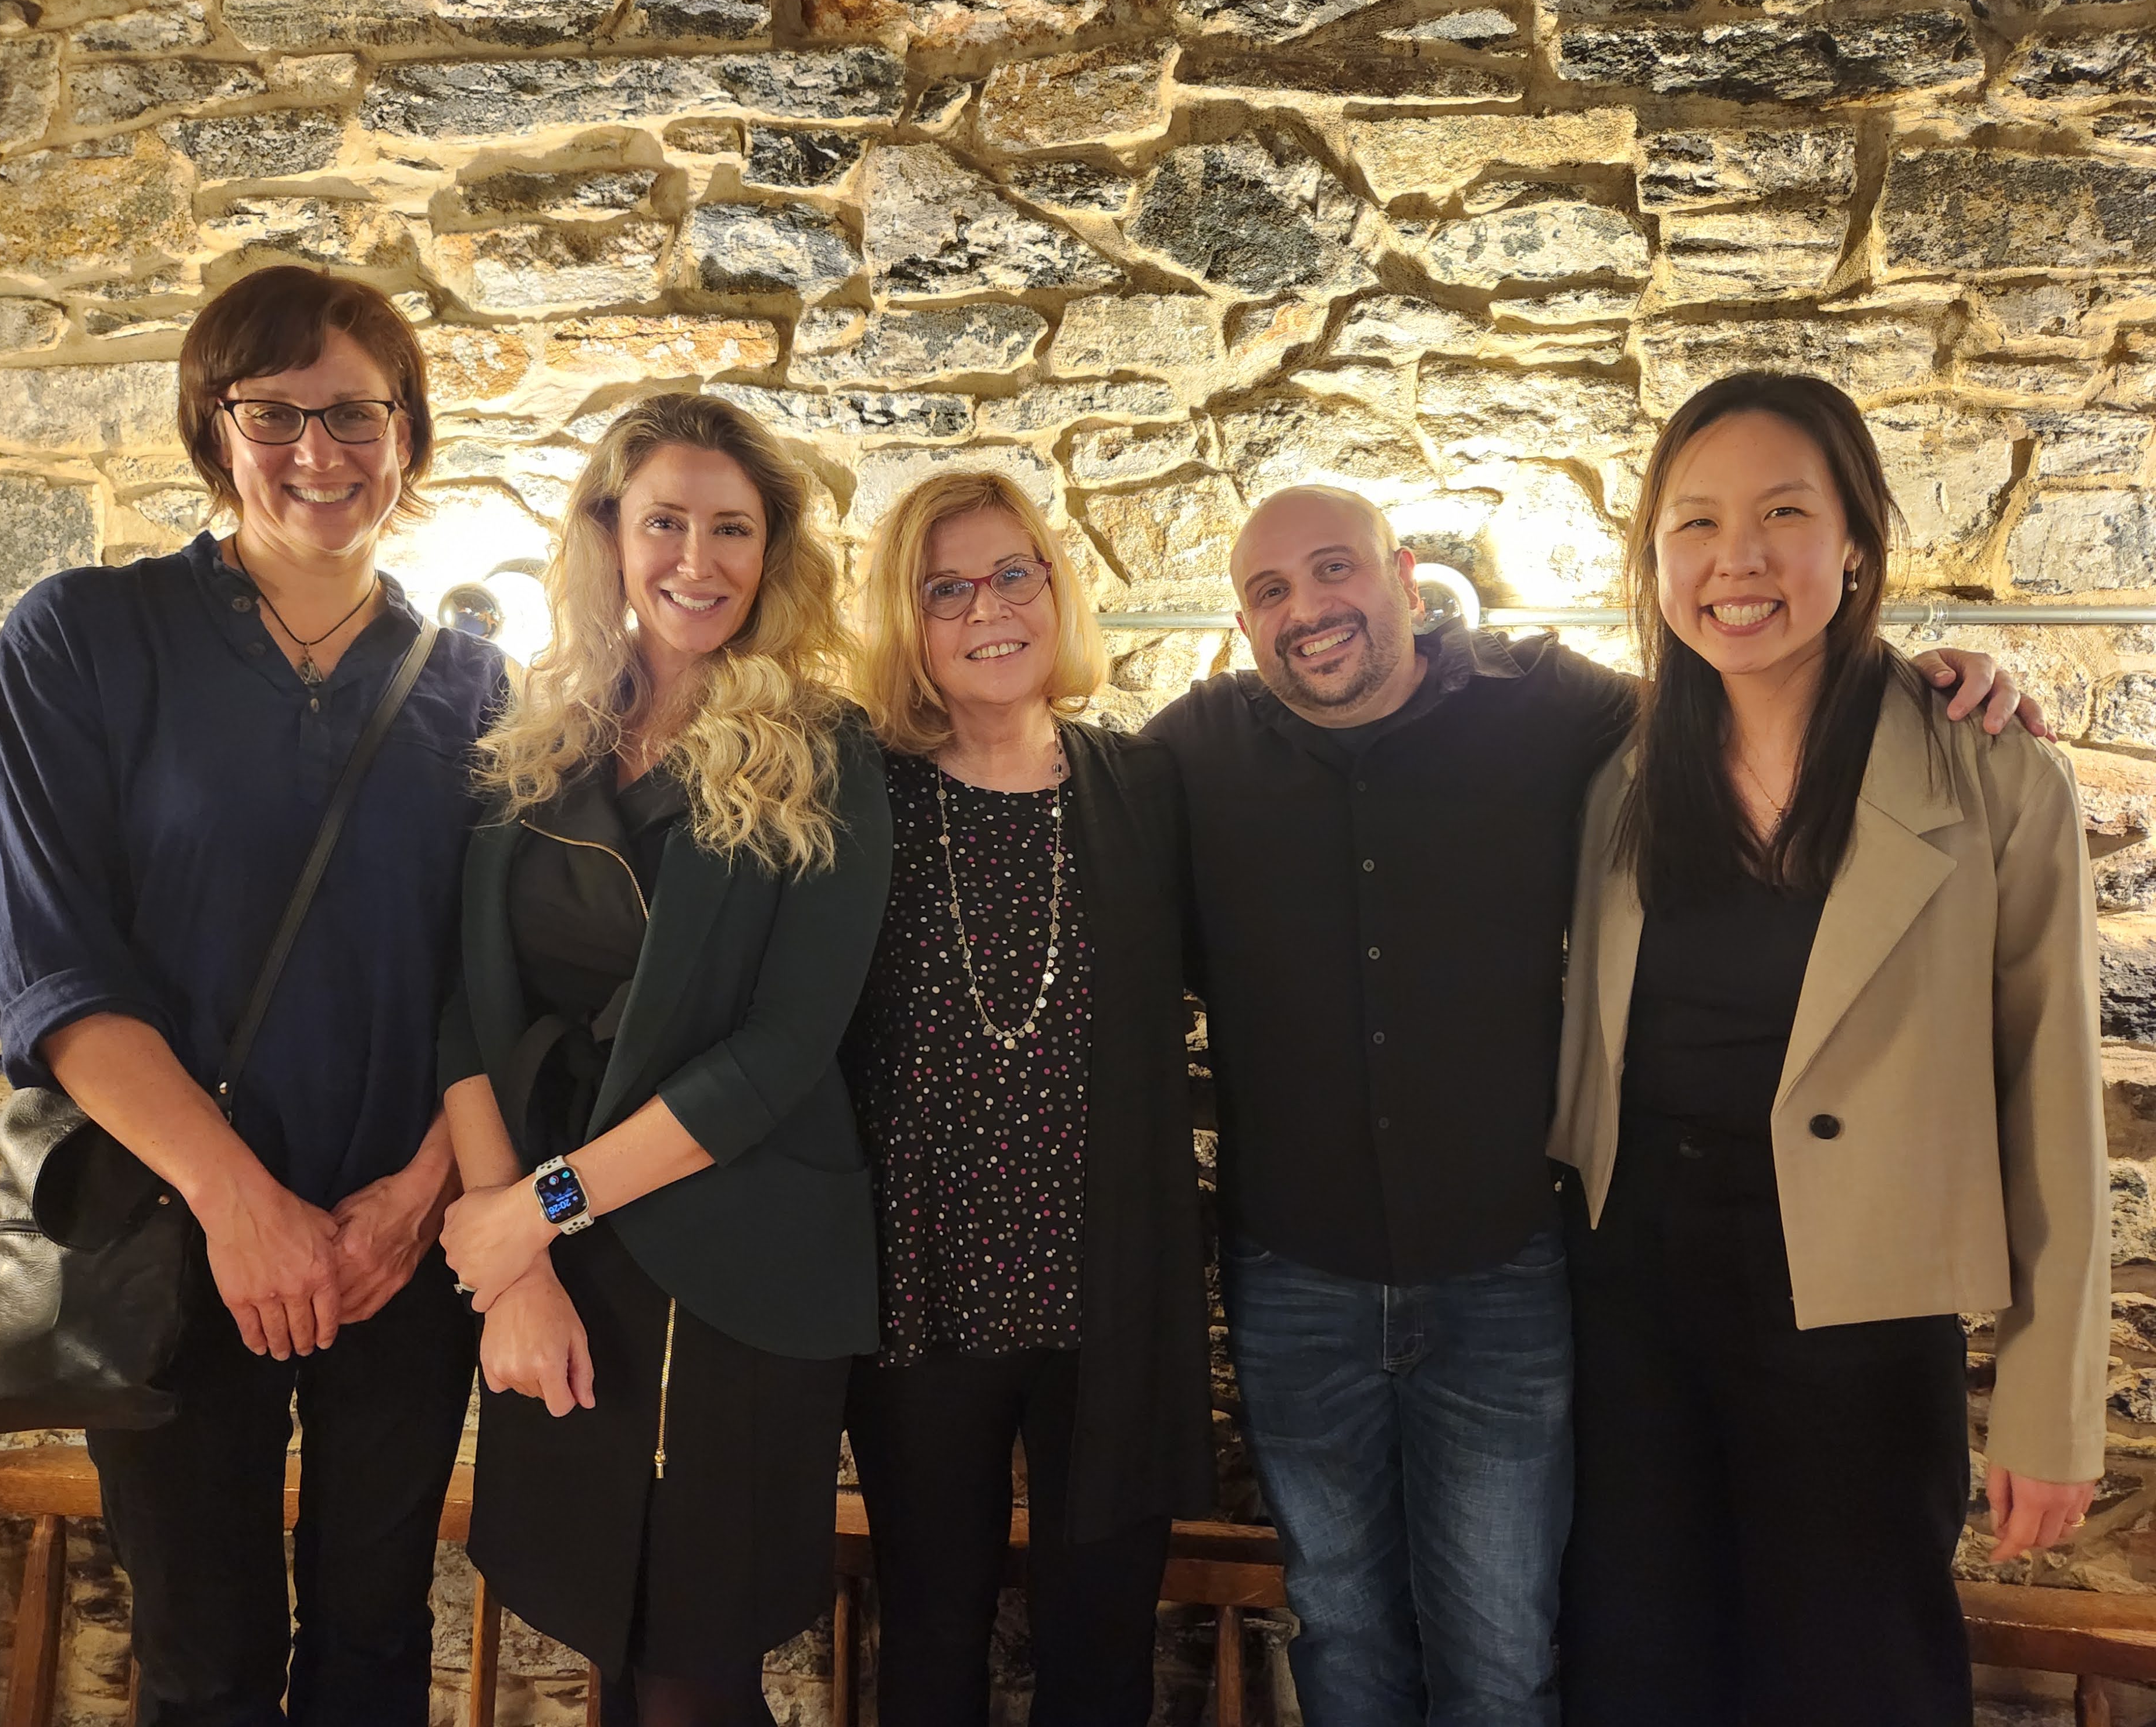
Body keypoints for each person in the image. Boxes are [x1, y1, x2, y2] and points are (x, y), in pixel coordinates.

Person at [1143, 480, 2035, 1725]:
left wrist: (1916, 681)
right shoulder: (1189, 752)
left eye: (1334, 569)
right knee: (1338, 1625)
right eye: (1268, 591)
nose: (1307, 609)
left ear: (1402, 574)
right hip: (1295, 1277)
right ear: (1241, 622)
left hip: (1505, 1271)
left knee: (1507, 1643)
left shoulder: (1551, 707)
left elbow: (1748, 694)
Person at [0, 263, 503, 1725]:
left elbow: (511, 985)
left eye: (355, 413)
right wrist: (239, 1203)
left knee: (376, 1647)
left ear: (409, 435)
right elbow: (49, 961)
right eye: (274, 411)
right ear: (214, 427)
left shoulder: (483, 690)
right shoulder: (86, 635)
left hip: (405, 1244)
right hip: (169, 1224)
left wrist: (414, 1197)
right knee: (200, 1666)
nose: (318, 452)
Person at [1548, 372, 2107, 1726]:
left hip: (1857, 1316)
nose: (1734, 562)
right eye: (1692, 524)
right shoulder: (1619, 773)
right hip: (1631, 1295)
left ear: (1852, 541)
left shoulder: (1986, 772)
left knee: (1852, 1674)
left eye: (1780, 515)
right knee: (1636, 1665)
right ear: (1653, 557)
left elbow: (2051, 1097)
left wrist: (2050, 1403)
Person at [431, 392, 893, 1727]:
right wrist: (512, 1247)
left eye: (733, 528)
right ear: (607, 537)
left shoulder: (824, 750)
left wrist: (536, 1209)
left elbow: (780, 1052)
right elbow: (462, 1009)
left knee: (696, 1663)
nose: (699, 558)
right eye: (665, 522)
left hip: (741, 1259)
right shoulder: (530, 742)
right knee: (611, 1646)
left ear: (773, 552)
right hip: (557, 1262)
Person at [841, 471, 1213, 1725]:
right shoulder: (862, 796)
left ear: (1057, 591)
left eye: (1014, 573)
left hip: (1104, 1295)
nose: (986, 608)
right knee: (931, 1636)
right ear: (909, 620)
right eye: (945, 589)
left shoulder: (1142, 789)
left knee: (1101, 1643)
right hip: (918, 1297)